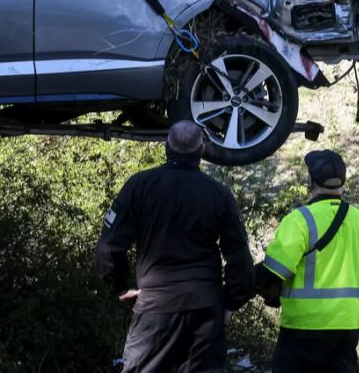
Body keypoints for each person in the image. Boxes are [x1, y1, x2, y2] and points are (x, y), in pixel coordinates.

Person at [95, 120, 255, 372]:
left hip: (154, 307)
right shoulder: (219, 194)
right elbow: (240, 259)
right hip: (205, 308)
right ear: (201, 150)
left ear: (166, 147)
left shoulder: (139, 186)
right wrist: (230, 301)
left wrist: (120, 287)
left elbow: (108, 247)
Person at [256, 149, 359, 373]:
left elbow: (273, 272)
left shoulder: (299, 220)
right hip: (347, 329)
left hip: (301, 329)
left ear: (311, 181)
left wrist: (236, 288)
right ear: (343, 182)